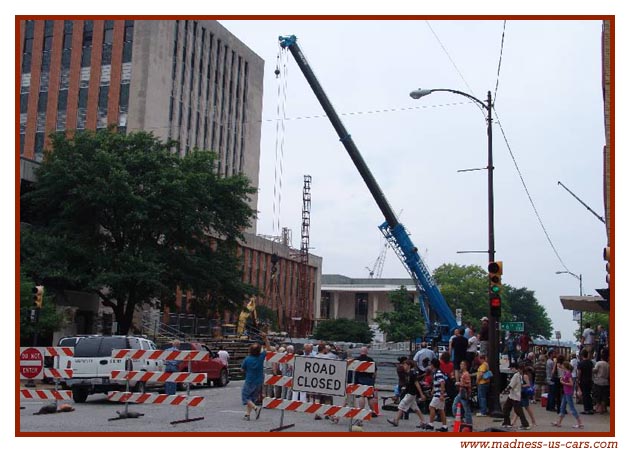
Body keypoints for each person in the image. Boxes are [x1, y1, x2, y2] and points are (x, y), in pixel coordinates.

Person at [387, 359, 428, 428]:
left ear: (409, 366)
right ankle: (423, 421)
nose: (404, 366)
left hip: (411, 393)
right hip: (410, 393)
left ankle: (396, 420)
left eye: (405, 365)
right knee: (415, 408)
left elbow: (416, 383)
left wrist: (421, 394)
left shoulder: (412, 374)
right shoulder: (408, 374)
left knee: (402, 404)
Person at [240, 333, 271, 421]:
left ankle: (256, 408)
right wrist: (265, 338)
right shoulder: (261, 357)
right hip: (259, 381)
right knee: (252, 398)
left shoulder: (247, 359)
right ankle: (247, 415)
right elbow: (268, 348)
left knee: (245, 397)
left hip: (250, 380)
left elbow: (242, 369)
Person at [551, 361, 584, 429]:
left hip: (568, 392)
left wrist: (563, 382)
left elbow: (571, 384)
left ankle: (580, 423)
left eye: (563, 365)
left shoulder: (568, 374)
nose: (562, 366)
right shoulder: (566, 373)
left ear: (565, 366)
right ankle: (559, 422)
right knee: (562, 407)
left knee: (571, 408)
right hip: (566, 392)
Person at [501, 363, 530, 430]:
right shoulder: (519, 375)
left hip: (514, 396)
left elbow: (511, 385)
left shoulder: (516, 375)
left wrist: (503, 392)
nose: (511, 369)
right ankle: (507, 423)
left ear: (515, 368)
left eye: (511, 368)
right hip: (514, 395)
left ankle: (525, 424)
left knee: (515, 410)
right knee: (509, 409)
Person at [424, 358, 448, 432]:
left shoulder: (438, 373)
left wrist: (441, 394)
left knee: (431, 407)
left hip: (439, 394)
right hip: (439, 393)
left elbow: (442, 383)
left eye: (431, 364)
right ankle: (444, 426)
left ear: (433, 365)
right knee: (441, 410)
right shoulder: (437, 373)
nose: (430, 366)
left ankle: (431, 424)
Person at [353, 346, 378, 418]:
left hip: (359, 379)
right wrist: (373, 380)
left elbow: (352, 371)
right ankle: (372, 411)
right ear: (367, 352)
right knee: (370, 397)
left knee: (361, 396)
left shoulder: (356, 360)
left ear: (360, 352)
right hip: (369, 380)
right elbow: (375, 371)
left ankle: (361, 411)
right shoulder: (370, 360)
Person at [452, 360, 473, 426]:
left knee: (466, 408)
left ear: (466, 366)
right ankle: (460, 419)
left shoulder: (466, 374)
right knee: (455, 406)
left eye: (463, 364)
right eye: (461, 364)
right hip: (461, 392)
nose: (461, 366)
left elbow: (468, 384)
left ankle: (469, 422)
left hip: (464, 393)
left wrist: (460, 384)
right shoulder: (463, 374)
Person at [577, 348, 594, 415]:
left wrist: (578, 380)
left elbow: (579, 373)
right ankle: (591, 408)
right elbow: (592, 372)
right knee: (589, 394)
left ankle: (586, 409)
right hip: (589, 380)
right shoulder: (590, 363)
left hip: (583, 380)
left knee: (585, 395)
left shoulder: (581, 364)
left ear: (582, 355)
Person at [592, 349, 610, 415]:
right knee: (604, 397)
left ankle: (597, 408)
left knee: (597, 396)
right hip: (605, 382)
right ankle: (602, 409)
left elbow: (595, 370)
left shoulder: (598, 363)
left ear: (601, 357)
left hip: (598, 381)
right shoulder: (608, 365)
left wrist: (592, 370)